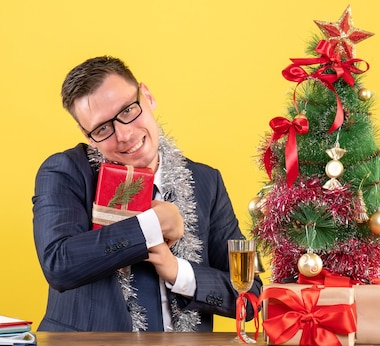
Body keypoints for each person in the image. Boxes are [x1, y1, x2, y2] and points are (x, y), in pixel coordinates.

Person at [32, 56, 261, 332]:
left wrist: (178, 272)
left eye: (128, 110)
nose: (125, 134)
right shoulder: (65, 172)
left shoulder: (206, 181)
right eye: (103, 128)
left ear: (148, 96)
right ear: (87, 134)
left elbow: (250, 296)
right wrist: (152, 226)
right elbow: (59, 264)